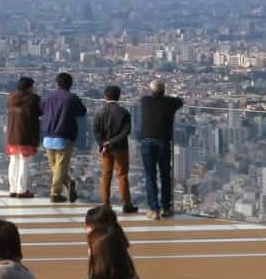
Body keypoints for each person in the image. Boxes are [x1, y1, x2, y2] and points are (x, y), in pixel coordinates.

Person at [137, 80, 183, 219]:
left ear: (151, 91)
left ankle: (154, 209)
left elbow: (148, 96)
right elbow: (180, 101)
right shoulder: (170, 103)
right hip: (163, 142)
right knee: (165, 175)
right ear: (164, 91)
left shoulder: (145, 101)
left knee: (150, 176)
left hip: (146, 141)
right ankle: (166, 208)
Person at [41, 72, 88, 203]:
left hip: (48, 133)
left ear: (57, 83)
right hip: (64, 134)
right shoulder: (72, 98)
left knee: (54, 165)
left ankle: (67, 183)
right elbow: (82, 112)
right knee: (60, 166)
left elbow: (41, 108)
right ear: (70, 84)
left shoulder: (48, 96)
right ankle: (55, 193)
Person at [92, 86, 137, 214]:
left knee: (106, 175)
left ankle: (106, 204)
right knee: (122, 175)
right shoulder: (124, 112)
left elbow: (96, 131)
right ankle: (127, 204)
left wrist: (103, 144)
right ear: (119, 96)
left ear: (105, 97)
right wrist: (112, 142)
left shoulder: (99, 112)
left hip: (105, 150)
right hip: (120, 148)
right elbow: (126, 131)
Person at [5, 76, 42, 199]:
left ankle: (13, 189)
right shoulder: (33, 99)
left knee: (13, 161)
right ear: (29, 88)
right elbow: (40, 112)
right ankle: (21, 190)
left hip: (12, 133)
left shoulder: (11, 97)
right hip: (26, 134)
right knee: (24, 162)